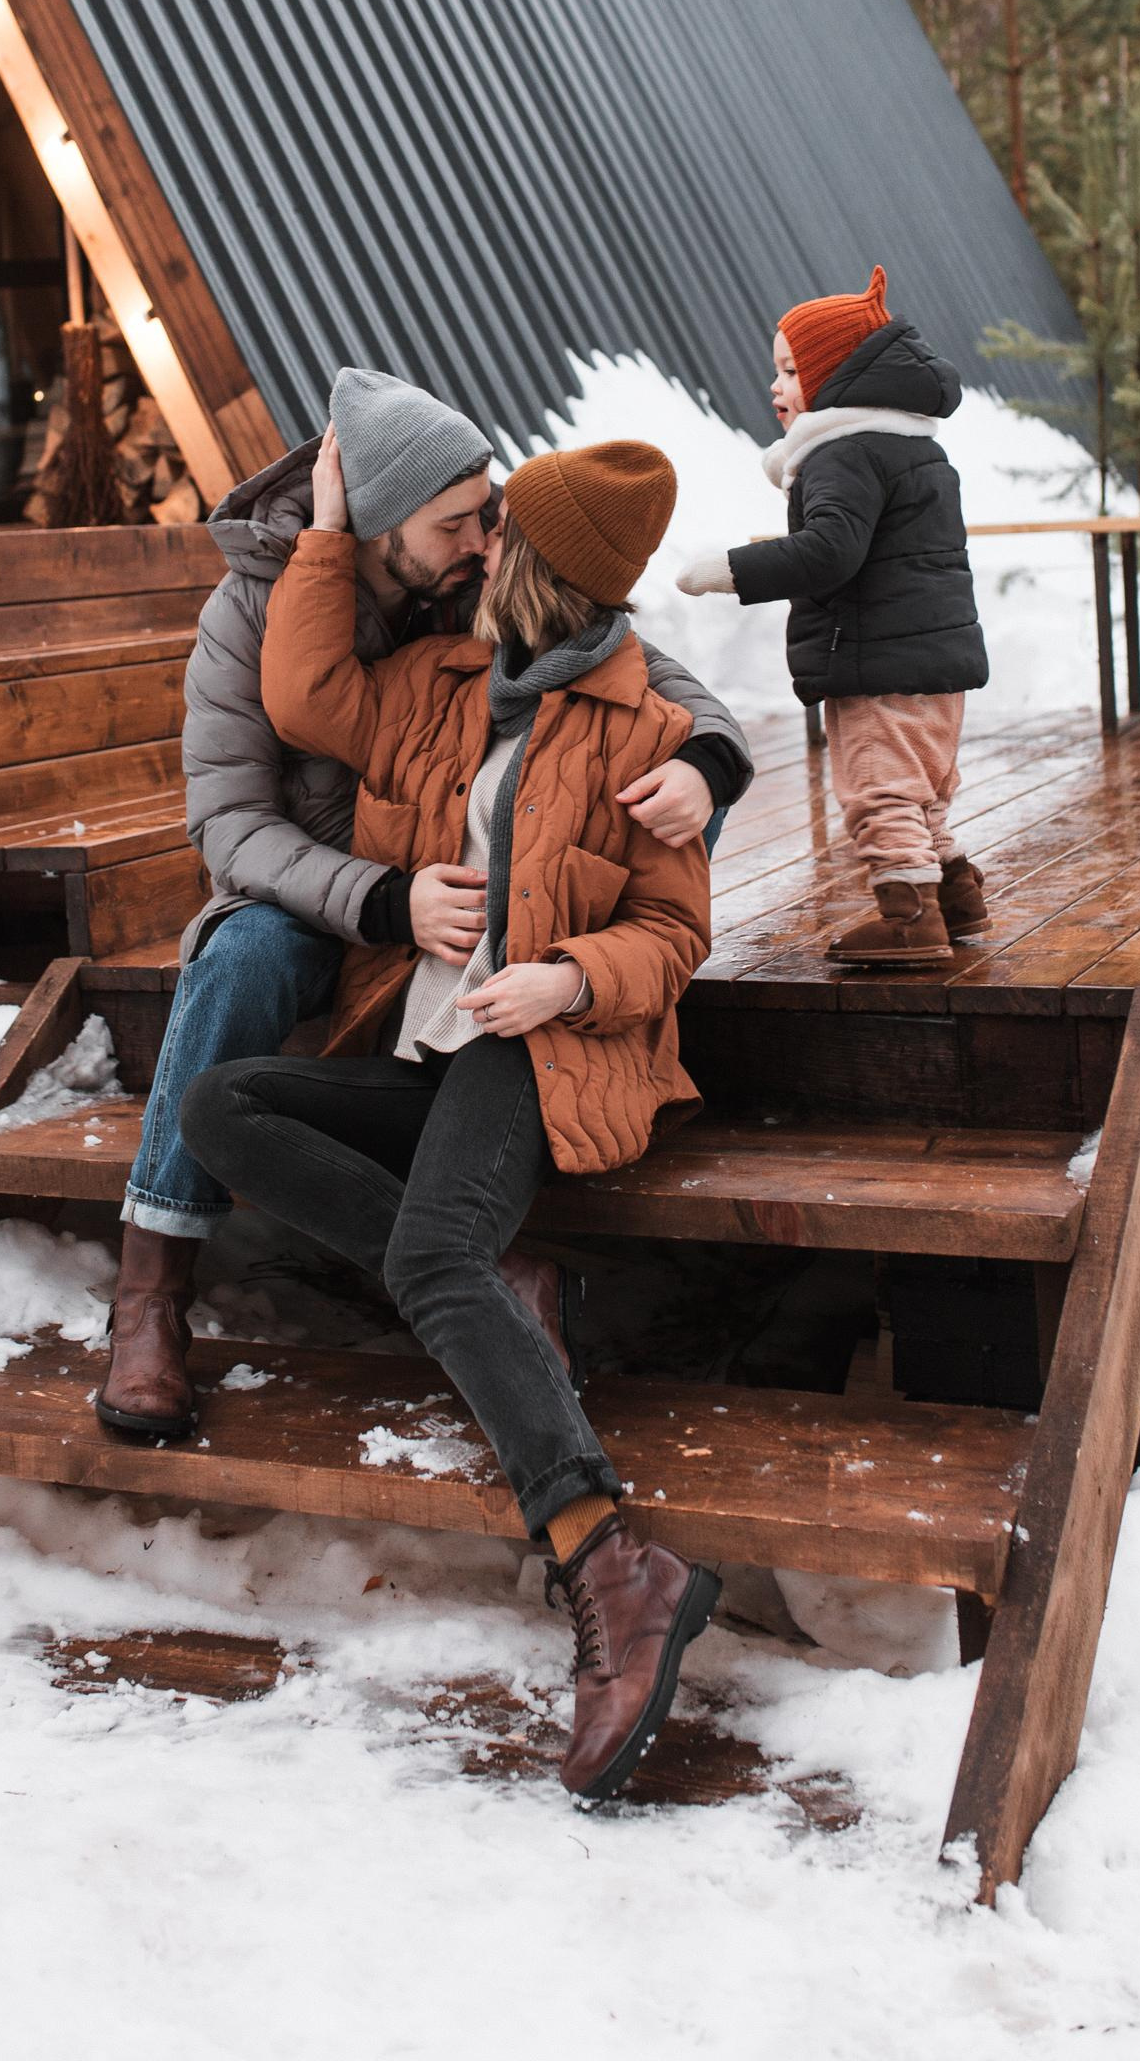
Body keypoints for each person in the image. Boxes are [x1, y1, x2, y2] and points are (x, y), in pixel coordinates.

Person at [182, 432, 721, 1802]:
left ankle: (611, 1555)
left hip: (538, 1051)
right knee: (222, 1106)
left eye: (503, 541)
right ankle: (494, 1280)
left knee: (428, 1257)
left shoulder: (649, 732)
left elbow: (673, 936)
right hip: (425, 1037)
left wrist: (567, 977)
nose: (478, 551)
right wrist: (320, 531)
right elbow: (302, 698)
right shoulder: (437, 682)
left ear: (546, 572)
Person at [97, 368, 754, 1443]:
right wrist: (380, 899)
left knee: (646, 804)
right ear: (372, 519)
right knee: (241, 963)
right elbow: (227, 824)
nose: (481, 535)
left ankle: (573, 1006)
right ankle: (151, 1288)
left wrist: (710, 766)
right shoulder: (249, 612)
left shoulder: (472, 576)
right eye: (457, 520)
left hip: (460, 895)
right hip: (311, 887)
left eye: (488, 513)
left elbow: (633, 664)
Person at [675, 264, 990, 967]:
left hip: (877, 659)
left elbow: (830, 552)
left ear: (834, 375)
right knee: (921, 791)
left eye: (789, 371)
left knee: (878, 789)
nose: (775, 387)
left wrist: (732, 570)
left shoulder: (842, 453)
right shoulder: (908, 445)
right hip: (934, 658)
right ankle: (955, 897)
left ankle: (909, 918)